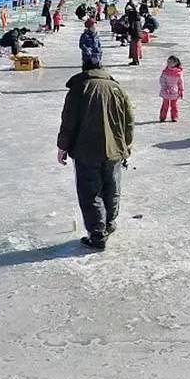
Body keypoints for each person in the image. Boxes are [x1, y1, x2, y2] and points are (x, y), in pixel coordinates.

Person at [57, 57, 135, 251]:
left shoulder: (79, 89)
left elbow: (69, 121)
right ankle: (109, 223)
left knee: (91, 192)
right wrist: (127, 146)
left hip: (86, 150)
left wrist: (62, 147)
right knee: (112, 186)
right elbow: (129, 121)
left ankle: (98, 234)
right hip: (115, 149)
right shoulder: (117, 89)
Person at [159, 55, 184, 122]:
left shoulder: (178, 73)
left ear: (175, 63)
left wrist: (181, 90)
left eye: (171, 62)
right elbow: (162, 80)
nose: (169, 64)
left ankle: (174, 117)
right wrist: (165, 88)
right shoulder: (165, 72)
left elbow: (180, 82)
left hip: (174, 91)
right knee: (165, 105)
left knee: (174, 105)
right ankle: (162, 117)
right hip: (166, 91)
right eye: (168, 62)